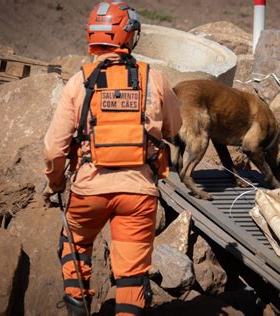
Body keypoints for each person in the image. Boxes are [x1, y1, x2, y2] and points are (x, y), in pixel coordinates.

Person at [43, 1, 182, 315]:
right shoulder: (155, 79)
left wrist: (55, 183)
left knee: (75, 245)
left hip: (88, 192)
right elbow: (175, 127)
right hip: (138, 194)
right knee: (132, 276)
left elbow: (54, 148)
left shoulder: (79, 82)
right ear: (129, 35)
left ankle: (79, 306)